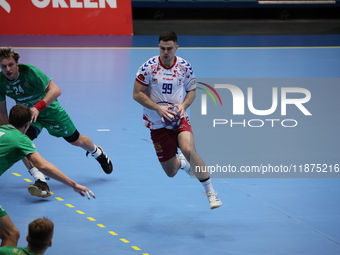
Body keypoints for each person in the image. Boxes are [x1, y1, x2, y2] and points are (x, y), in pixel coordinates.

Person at [0, 47, 113, 198]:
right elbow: (2, 110)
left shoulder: (30, 73)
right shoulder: (1, 82)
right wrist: (9, 133)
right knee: (21, 144)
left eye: (11, 65)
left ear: (17, 64)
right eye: (3, 66)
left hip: (50, 110)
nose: (8, 69)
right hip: (29, 117)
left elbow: (56, 90)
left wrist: (37, 107)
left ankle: (97, 152)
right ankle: (39, 180)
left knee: (76, 141)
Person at [133, 31, 222, 209]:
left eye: (169, 48)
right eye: (162, 48)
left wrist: (183, 106)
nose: (165, 52)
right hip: (157, 123)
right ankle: (181, 162)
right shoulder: (148, 68)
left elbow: (192, 91)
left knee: (189, 149)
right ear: (159, 47)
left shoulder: (185, 66)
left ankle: (211, 193)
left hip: (178, 118)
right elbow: (137, 94)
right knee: (171, 171)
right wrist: (158, 108)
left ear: (176, 48)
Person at [0, 104, 96, 247]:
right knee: (11, 234)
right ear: (28, 124)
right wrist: (73, 184)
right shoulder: (21, 139)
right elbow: (43, 165)